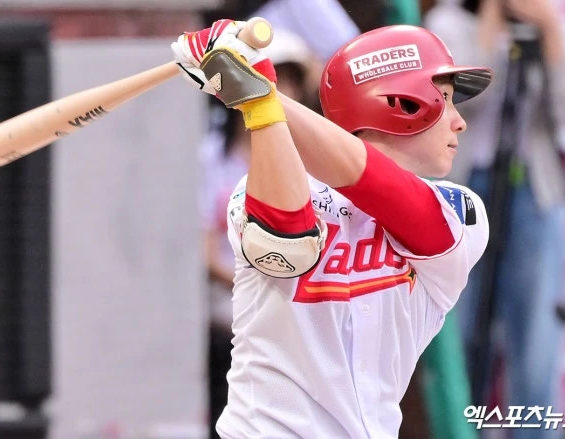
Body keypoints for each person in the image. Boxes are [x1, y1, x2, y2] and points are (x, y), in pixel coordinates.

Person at [172, 18, 492, 437]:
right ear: (401, 102)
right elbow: (284, 241)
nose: (459, 121)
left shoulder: (460, 211)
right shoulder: (265, 183)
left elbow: (379, 185)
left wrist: (258, 92)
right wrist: (257, 98)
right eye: (444, 98)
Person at [424, 0, 565, 436]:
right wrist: (492, 23)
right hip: (461, 193)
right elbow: (457, 106)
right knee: (458, 332)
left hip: (535, 192)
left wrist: (549, 30)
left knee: (536, 340)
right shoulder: (447, 23)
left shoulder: (553, 23)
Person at [197, 28, 318, 439]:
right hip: (227, 325)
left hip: (298, 327)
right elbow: (204, 253)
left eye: (288, 81)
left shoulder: (316, 162)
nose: (278, 93)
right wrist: (263, 287)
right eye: (266, 81)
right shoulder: (209, 160)